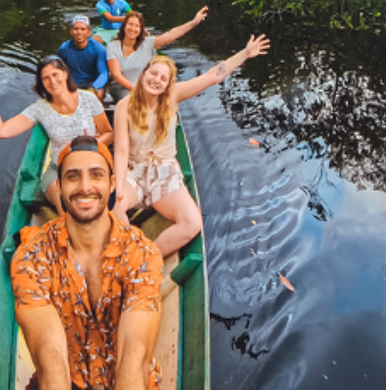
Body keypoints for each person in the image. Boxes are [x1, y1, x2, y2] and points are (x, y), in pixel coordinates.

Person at [12, 135, 177, 390]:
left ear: (113, 184)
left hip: (129, 384)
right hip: (59, 388)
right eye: (72, 176)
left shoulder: (141, 253)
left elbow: (134, 353)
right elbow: (51, 360)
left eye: (96, 175)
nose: (85, 187)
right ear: (58, 187)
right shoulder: (32, 257)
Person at [116, 36, 270, 259]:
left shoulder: (172, 97)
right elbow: (121, 151)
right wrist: (119, 186)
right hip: (135, 171)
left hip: (164, 172)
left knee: (192, 223)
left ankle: (146, 259)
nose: (156, 80)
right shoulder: (124, 106)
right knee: (113, 207)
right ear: (143, 74)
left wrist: (244, 54)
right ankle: (129, 252)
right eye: (153, 73)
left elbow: (213, 75)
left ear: (168, 84)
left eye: (163, 78)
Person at [0, 58, 127, 213]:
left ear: (65, 74)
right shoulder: (40, 109)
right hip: (58, 170)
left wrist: (85, 148)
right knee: (68, 208)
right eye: (46, 78)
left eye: (55, 74)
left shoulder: (88, 99)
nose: (52, 81)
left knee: (102, 204)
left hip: (90, 165)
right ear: (42, 83)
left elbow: (108, 133)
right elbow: (0, 131)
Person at [104, 6, 209, 104]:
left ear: (140, 30)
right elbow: (117, 76)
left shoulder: (147, 43)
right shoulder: (113, 46)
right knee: (132, 103)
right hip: (123, 88)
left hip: (147, 86)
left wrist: (194, 22)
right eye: (130, 24)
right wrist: (136, 90)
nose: (133, 28)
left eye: (137, 26)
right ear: (124, 26)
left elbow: (170, 35)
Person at [56, 15, 109, 93]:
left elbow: (103, 72)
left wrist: (95, 87)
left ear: (89, 32)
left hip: (91, 83)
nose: (79, 32)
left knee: (99, 92)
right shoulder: (63, 49)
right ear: (71, 32)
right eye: (76, 29)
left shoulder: (98, 48)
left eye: (83, 29)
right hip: (72, 83)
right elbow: (59, 70)